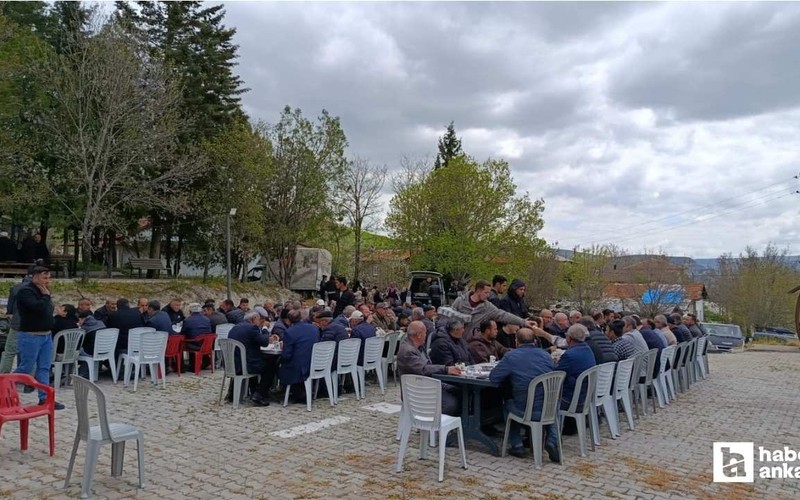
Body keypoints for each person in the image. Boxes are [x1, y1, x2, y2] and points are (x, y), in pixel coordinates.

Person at [489, 327, 558, 459]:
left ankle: (517, 445)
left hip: (525, 410)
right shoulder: (546, 356)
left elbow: (494, 378)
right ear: (535, 341)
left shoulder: (511, 357)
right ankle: (552, 441)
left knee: (508, 403)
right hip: (548, 408)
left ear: (516, 341)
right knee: (545, 403)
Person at [13, 266, 65, 409]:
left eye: (48, 278)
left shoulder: (45, 292)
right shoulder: (25, 292)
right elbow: (38, 308)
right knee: (26, 367)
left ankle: (45, 399)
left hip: (46, 336)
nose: (47, 281)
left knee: (44, 368)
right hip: (30, 336)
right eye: (44, 277)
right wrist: (46, 295)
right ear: (35, 277)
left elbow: (47, 310)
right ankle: (4, 386)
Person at [396, 321, 462, 415]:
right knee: (451, 404)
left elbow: (428, 366)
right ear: (419, 335)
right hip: (418, 390)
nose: (426, 335)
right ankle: (432, 424)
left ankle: (458, 425)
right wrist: (446, 369)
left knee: (460, 391)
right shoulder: (407, 351)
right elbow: (423, 369)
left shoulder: (418, 346)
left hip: (428, 383)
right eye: (425, 333)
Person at [450, 280, 535, 337]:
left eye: (489, 293)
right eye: (486, 292)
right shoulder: (460, 301)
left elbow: (503, 315)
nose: (488, 295)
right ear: (478, 291)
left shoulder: (488, 307)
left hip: (473, 342)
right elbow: (448, 319)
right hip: (455, 339)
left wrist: (523, 322)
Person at [228, 310, 275, 406]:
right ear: (253, 319)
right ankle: (259, 394)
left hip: (233, 364)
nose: (259, 323)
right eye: (258, 320)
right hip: (246, 365)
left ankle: (251, 392)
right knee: (271, 366)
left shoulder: (235, 327)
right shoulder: (252, 328)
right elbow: (264, 342)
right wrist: (265, 328)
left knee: (257, 361)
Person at [280, 309, 321, 403]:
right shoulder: (313, 328)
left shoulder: (290, 332)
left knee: (278, 367)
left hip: (299, 367)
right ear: (301, 318)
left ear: (288, 320)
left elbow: (286, 355)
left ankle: (295, 393)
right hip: (315, 362)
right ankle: (299, 393)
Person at [557, 324, 596, 410]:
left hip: (572, 399)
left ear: (569, 337)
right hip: (586, 396)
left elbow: (557, 375)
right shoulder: (588, 349)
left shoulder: (569, 355)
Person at [0, 271, 32, 374]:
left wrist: (9, 313)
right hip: (33, 326)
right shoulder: (40, 289)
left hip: (17, 323)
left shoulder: (16, 287)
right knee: (26, 353)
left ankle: (3, 376)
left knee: (9, 352)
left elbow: (10, 306)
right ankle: (23, 376)